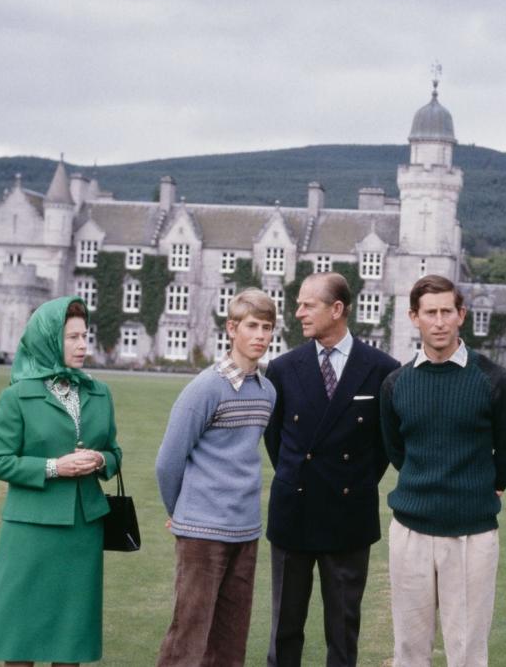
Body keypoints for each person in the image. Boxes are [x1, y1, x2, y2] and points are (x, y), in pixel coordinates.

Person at [379, 274, 506, 667]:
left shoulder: (493, 380)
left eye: (447, 311)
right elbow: (397, 451)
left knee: (467, 652)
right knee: (409, 650)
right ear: (414, 317)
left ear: (461, 315)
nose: (439, 321)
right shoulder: (396, 383)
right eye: (430, 313)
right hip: (410, 531)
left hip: (471, 535)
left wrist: (481, 488)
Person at [263, 272, 400, 667]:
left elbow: (383, 448)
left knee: (343, 633)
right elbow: (277, 442)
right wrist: (300, 478)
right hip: (294, 514)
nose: (298, 312)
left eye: (308, 305)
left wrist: (350, 482)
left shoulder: (382, 369)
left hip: (348, 516)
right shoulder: (284, 368)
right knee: (285, 629)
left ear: (337, 309)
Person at [0, 296, 122, 666]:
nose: (82, 345)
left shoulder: (99, 393)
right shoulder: (17, 396)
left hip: (82, 531)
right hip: (30, 531)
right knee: (20, 639)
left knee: (70, 640)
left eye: (85, 336)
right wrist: (55, 467)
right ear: (48, 340)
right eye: (72, 337)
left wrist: (100, 459)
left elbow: (115, 453)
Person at [154, 288, 278, 666]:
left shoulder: (267, 391)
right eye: (252, 326)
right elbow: (167, 461)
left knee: (230, 640)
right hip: (202, 533)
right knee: (188, 635)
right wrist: (182, 513)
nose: (260, 335)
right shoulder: (205, 388)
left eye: (267, 328)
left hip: (245, 529)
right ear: (232, 329)